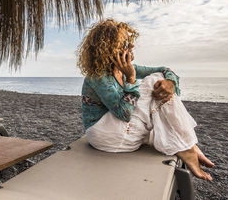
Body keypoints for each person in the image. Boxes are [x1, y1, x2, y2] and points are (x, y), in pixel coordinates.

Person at [77, 18, 214, 181]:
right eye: (124, 43)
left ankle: (188, 145)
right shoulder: (97, 77)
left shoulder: (125, 69)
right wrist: (132, 79)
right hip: (105, 136)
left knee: (159, 78)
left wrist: (170, 82)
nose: (131, 46)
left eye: (129, 42)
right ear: (107, 47)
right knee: (152, 81)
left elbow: (164, 70)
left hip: (121, 131)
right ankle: (187, 147)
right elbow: (125, 113)